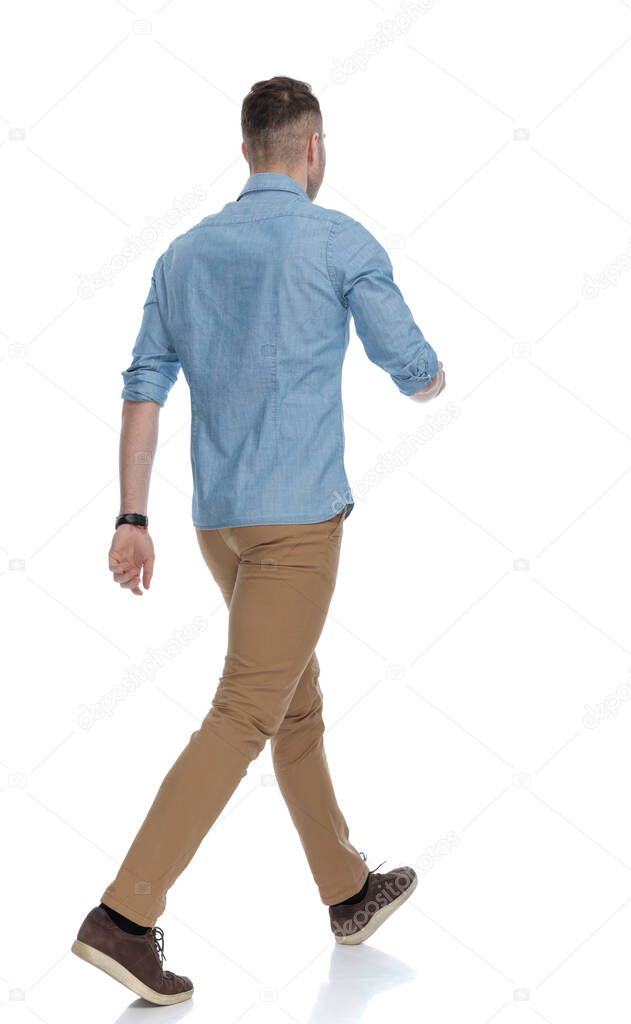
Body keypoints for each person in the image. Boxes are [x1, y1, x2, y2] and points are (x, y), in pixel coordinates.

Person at [71, 75, 446, 1006]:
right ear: (312, 149)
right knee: (245, 710)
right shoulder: (337, 240)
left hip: (219, 526)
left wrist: (130, 517)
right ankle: (124, 914)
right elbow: (412, 367)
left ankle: (347, 891)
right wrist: (429, 380)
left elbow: (143, 386)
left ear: (248, 151)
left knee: (294, 700)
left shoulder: (184, 254)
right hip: (297, 529)